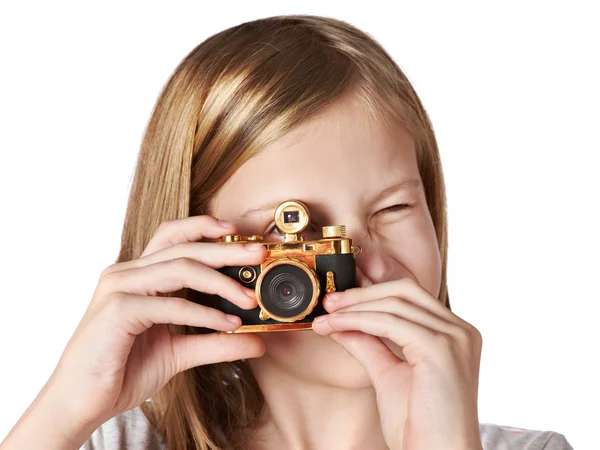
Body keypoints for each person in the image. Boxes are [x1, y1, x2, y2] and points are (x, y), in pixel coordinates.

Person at [0, 14, 573, 450]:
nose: (355, 263)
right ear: (195, 252)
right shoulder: (107, 442)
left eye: (394, 208)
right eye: (289, 227)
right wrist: (65, 409)